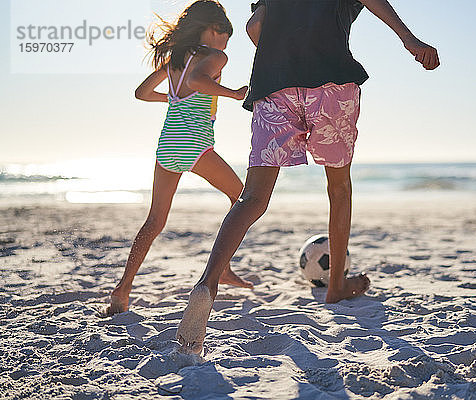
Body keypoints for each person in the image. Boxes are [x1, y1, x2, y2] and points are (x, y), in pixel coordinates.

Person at [176, 0, 440, 353]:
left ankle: (207, 284)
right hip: (331, 82)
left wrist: (285, 53)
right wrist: (409, 39)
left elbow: (255, 26)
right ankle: (335, 287)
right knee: (339, 187)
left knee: (252, 198)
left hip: (273, 85)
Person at [105, 0, 251, 316]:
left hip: (167, 143)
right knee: (242, 196)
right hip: (195, 143)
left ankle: (123, 289)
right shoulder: (215, 56)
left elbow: (141, 93)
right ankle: (222, 268)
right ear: (213, 30)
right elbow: (199, 82)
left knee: (155, 220)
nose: (227, 43)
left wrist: (172, 97)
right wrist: (235, 94)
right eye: (226, 34)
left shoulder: (174, 60)